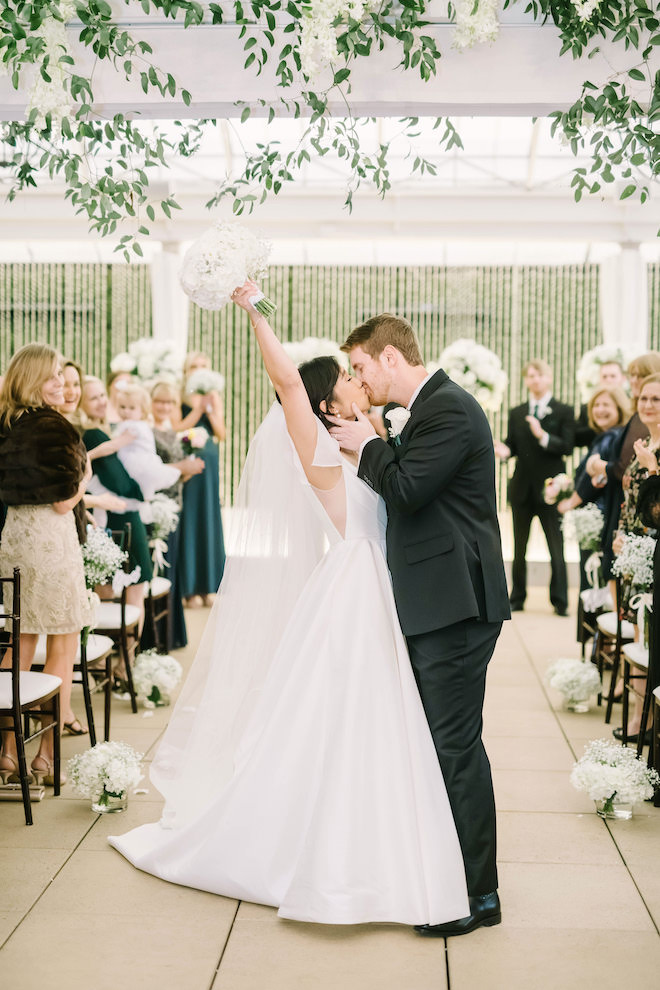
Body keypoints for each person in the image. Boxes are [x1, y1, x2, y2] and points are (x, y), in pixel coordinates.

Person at [109, 286, 470, 929]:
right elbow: (284, 378)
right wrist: (253, 309)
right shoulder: (320, 448)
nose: (362, 381)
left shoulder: (374, 435)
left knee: (382, 726)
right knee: (347, 722)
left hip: (387, 590)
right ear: (330, 398)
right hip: (355, 592)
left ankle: (376, 841)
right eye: (351, 377)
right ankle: (328, 853)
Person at [327, 313, 510, 938]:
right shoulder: (426, 410)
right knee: (441, 746)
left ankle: (478, 896)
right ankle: (450, 878)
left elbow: (406, 489)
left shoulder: (450, 410)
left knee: (456, 749)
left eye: (359, 367)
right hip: (437, 601)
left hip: (457, 607)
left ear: (389, 359)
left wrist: (366, 447)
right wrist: (378, 437)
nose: (356, 379)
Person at [0, 344, 93, 783]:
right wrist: (85, 481)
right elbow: (61, 503)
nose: (61, 384)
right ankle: (45, 756)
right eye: (53, 376)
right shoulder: (56, 428)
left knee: (19, 641)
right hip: (52, 544)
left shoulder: (5, 424)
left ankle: (6, 752)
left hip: (15, 539)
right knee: (64, 639)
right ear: (32, 379)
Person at [495, 359, 575, 616]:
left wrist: (543, 435)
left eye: (539, 375)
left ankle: (560, 599)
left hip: (552, 490)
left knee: (556, 546)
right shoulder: (517, 412)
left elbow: (567, 446)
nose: (535, 380)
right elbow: (512, 446)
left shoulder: (563, 410)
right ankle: (517, 597)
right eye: (530, 376)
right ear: (526, 381)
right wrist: (501, 450)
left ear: (549, 378)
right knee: (519, 547)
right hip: (521, 489)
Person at [80, 376, 153, 634]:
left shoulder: (105, 429)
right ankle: (124, 662)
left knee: (108, 591)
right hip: (121, 516)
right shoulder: (94, 434)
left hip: (109, 515)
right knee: (133, 591)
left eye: (103, 395)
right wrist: (144, 492)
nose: (101, 402)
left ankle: (114, 661)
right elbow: (120, 482)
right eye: (93, 397)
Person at [586, 352, 660, 585]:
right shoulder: (644, 440)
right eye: (632, 375)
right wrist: (621, 534)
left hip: (647, 539)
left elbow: (623, 471)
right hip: (629, 535)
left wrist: (602, 467)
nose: (634, 381)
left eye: (640, 375)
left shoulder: (644, 430)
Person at [148, 380, 205, 650]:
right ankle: (156, 637)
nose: (164, 407)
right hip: (158, 508)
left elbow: (178, 474)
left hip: (177, 505)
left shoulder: (176, 432)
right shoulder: (148, 433)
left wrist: (189, 469)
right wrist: (182, 466)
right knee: (161, 567)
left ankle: (173, 633)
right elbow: (151, 471)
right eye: (160, 401)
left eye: (169, 402)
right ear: (151, 402)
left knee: (174, 568)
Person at [557, 386, 630, 595]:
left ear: (619, 407)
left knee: (592, 587)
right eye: (596, 405)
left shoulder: (609, 437)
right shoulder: (613, 435)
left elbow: (594, 478)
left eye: (606, 404)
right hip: (602, 519)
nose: (599, 410)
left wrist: (570, 502)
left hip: (599, 521)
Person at [175, 352, 226, 607]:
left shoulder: (214, 396)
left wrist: (212, 410)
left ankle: (209, 585)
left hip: (210, 461)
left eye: (203, 366)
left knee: (208, 515)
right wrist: (197, 409)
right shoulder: (180, 394)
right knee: (190, 517)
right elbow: (177, 426)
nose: (198, 370)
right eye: (193, 366)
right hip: (187, 457)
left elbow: (222, 433)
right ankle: (189, 586)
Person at [112, 382, 181, 501]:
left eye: (131, 408)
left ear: (142, 410)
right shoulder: (139, 425)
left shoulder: (133, 426)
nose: (126, 411)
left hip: (138, 463)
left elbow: (115, 445)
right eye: (122, 407)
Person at [574, 360, 626, 448]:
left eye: (613, 376)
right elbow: (577, 438)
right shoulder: (587, 408)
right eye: (604, 376)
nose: (609, 380)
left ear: (623, 378)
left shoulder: (633, 405)